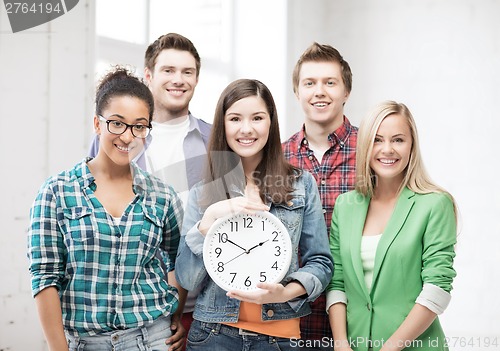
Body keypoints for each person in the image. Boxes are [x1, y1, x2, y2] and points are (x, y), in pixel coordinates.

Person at [28, 67, 186, 351]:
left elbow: (179, 260)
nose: (127, 136)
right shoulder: (56, 192)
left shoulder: (162, 196)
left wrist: (176, 314)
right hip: (84, 342)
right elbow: (44, 277)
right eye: (117, 123)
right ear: (97, 124)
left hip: (152, 339)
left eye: (139, 126)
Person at [175, 79, 333, 351]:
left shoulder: (301, 184)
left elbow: (321, 262)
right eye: (235, 119)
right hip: (213, 336)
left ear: (270, 123)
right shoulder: (205, 191)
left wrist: (286, 292)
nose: (246, 129)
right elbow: (187, 280)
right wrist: (208, 220)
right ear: (223, 125)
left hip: (280, 337)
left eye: (257, 118)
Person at [89, 33, 212, 348]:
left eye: (187, 72)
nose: (178, 80)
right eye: (168, 70)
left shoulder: (215, 141)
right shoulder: (117, 137)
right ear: (148, 75)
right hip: (130, 308)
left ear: (197, 78)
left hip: (201, 309)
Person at [327, 101, 457, 351]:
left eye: (398, 140)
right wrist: (341, 344)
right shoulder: (345, 205)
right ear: (365, 145)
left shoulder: (434, 204)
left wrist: (389, 348)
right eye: (377, 140)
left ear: (412, 146)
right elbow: (337, 283)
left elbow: (437, 288)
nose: (387, 149)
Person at [282, 42, 357, 347]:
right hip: (293, 316)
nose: (319, 91)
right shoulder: (277, 158)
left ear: (346, 91)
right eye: (309, 83)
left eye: (330, 82)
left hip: (358, 313)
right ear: (297, 92)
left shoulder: (372, 152)